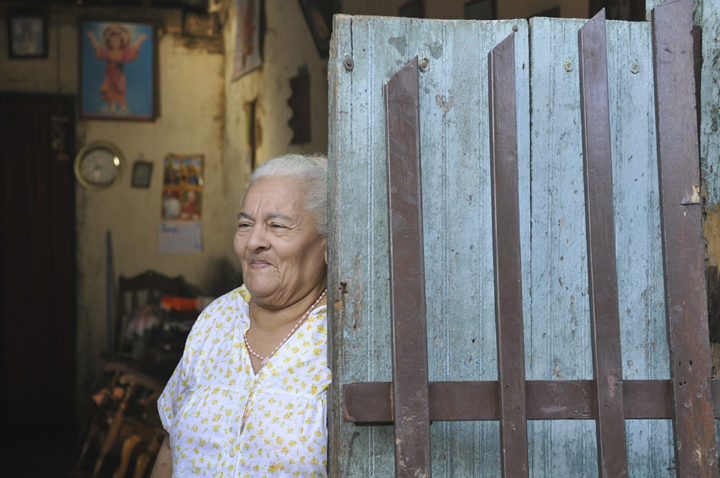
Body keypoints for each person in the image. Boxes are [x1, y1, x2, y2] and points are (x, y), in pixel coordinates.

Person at [151, 154, 330, 477]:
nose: (254, 242)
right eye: (245, 225)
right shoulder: (217, 318)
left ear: (328, 244)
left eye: (277, 226)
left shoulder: (346, 335)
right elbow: (171, 444)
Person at [86, 24, 147, 113]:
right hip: (109, 76)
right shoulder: (107, 52)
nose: (114, 43)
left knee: (121, 91)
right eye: (112, 41)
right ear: (109, 43)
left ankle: (123, 106)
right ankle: (111, 108)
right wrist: (91, 37)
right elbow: (97, 47)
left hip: (119, 75)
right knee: (110, 91)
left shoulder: (124, 52)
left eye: (116, 41)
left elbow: (134, 49)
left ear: (121, 42)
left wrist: (140, 40)